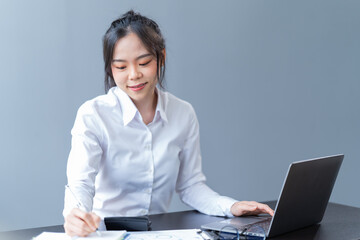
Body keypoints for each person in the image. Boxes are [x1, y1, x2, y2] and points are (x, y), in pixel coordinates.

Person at [63, 10, 274, 237]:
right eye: (121, 67)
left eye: (144, 62)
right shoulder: (93, 115)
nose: (133, 74)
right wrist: (76, 215)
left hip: (160, 234)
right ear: (110, 68)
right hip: (105, 234)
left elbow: (191, 185)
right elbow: (81, 184)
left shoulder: (182, 113)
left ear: (161, 57)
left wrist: (230, 207)